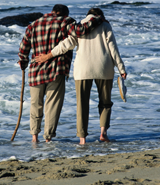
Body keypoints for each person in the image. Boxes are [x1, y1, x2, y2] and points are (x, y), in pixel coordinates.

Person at [35, 8, 127, 144]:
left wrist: (48, 55)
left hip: (83, 69)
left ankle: (82, 138)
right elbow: (113, 48)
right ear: (99, 15)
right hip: (104, 68)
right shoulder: (106, 25)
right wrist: (121, 68)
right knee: (105, 102)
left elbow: (66, 44)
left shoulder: (78, 27)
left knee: (82, 104)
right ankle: (103, 134)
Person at [18, 4, 103, 143]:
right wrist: (97, 18)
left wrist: (23, 61)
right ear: (63, 13)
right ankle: (48, 138)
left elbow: (24, 47)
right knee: (53, 105)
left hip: (35, 71)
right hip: (56, 70)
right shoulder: (66, 22)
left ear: (53, 11)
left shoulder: (33, 25)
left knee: (35, 104)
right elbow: (81, 31)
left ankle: (34, 136)